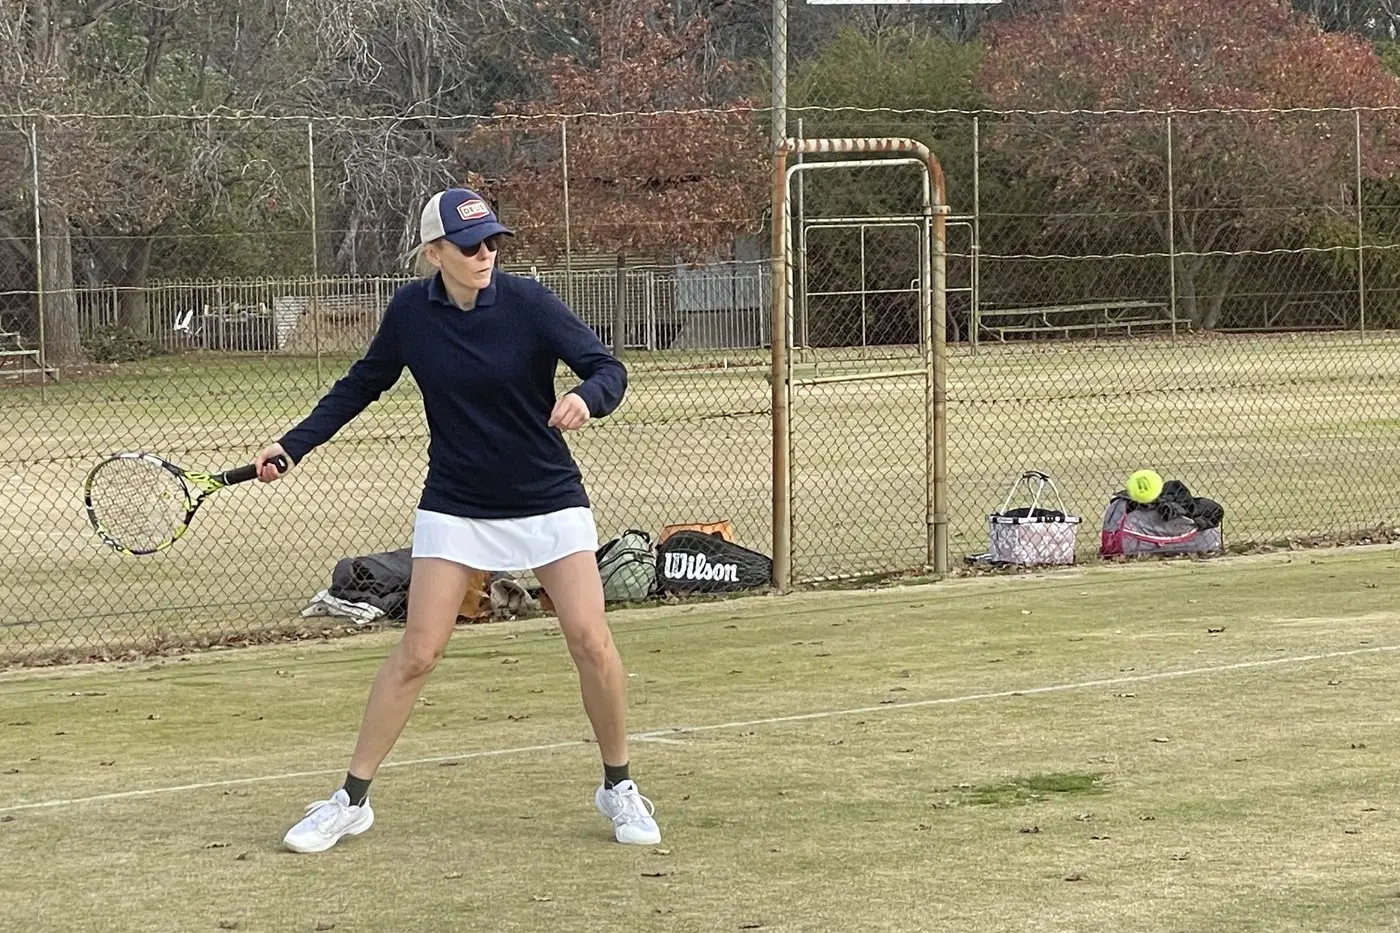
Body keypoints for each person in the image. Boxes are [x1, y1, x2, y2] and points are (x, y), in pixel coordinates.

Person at [254, 187, 661, 853]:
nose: (485, 254)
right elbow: (363, 382)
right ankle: (349, 801)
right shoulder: (413, 312)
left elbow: (606, 367)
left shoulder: (529, 303)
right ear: (434, 252)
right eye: (470, 245)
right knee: (418, 652)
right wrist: (293, 443)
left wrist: (587, 398)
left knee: (591, 639)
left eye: (493, 241)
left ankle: (618, 786)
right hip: (456, 501)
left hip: (547, 494)